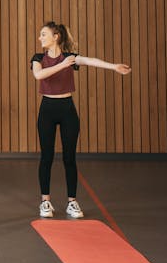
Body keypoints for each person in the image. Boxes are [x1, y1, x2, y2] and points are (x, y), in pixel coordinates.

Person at [30, 21, 131, 219]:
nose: (40, 38)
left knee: (69, 158)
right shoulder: (38, 58)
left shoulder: (70, 58)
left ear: (55, 36)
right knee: (47, 157)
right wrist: (62, 65)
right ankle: (45, 202)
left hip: (67, 109)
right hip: (47, 110)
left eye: (43, 34)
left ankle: (72, 202)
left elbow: (91, 61)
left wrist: (113, 67)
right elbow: (38, 75)